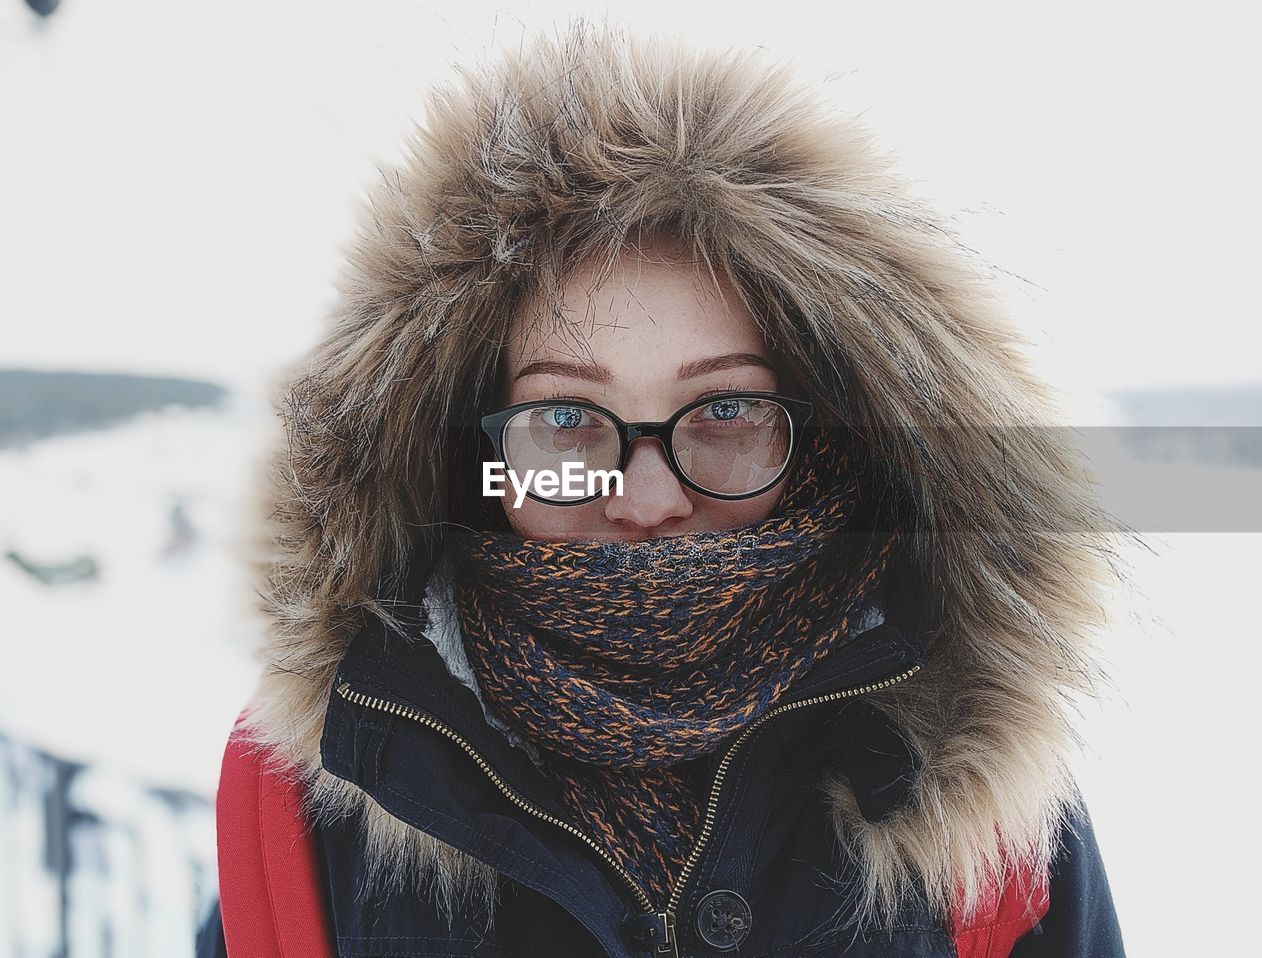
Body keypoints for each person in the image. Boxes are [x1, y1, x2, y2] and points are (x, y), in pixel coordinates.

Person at [197, 19, 1126, 958]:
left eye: (723, 411)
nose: (645, 499)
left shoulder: (985, 804)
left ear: (823, 437)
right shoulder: (318, 792)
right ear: (472, 458)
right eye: (565, 417)